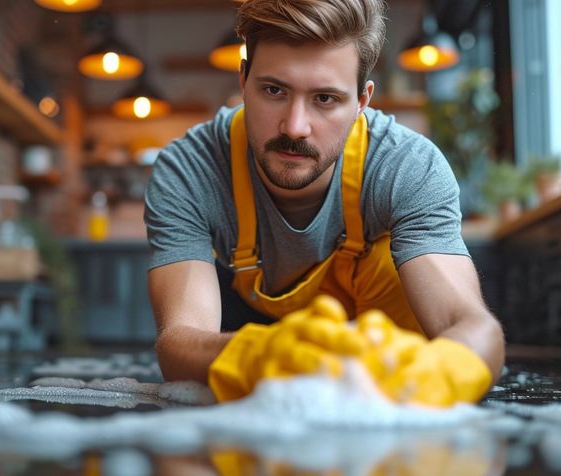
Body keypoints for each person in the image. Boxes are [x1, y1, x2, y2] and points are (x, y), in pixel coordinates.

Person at [144, 0, 505, 404]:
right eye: (274, 90)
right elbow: (178, 345)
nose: (295, 127)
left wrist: (431, 377)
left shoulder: (408, 169)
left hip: (386, 386)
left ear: (362, 102)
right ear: (244, 79)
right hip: (256, 379)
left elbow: (473, 327)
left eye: (326, 99)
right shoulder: (190, 170)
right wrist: (268, 355)